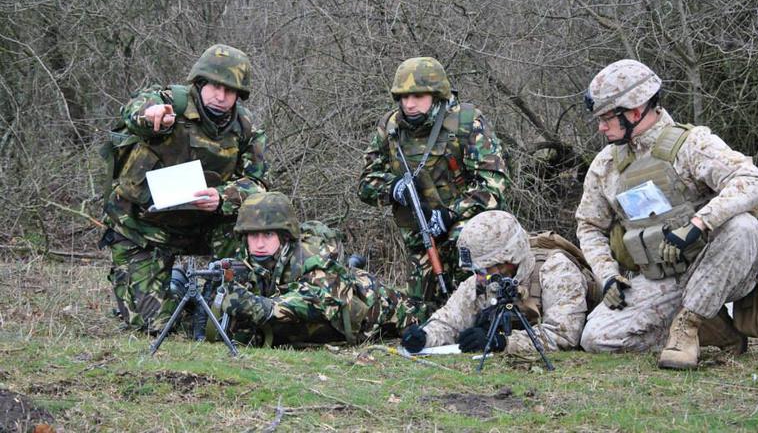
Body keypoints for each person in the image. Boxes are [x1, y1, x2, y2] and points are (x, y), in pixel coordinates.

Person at [576, 59, 758, 370]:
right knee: (596, 338)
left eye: (606, 118)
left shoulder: (692, 144)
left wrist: (700, 222)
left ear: (636, 110)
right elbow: (589, 225)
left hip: (723, 265)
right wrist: (607, 275)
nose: (601, 127)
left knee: (744, 227)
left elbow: (753, 181)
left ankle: (690, 324)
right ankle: (721, 329)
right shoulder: (606, 166)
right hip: (666, 276)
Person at [101, 44, 269, 332]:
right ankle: (176, 287)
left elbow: (259, 185)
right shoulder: (171, 103)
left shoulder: (245, 129)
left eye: (229, 90)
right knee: (154, 325)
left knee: (249, 223)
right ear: (200, 83)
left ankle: (219, 297)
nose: (220, 96)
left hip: (203, 225)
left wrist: (222, 197)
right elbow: (134, 111)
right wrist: (151, 116)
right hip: (142, 228)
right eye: (214, 86)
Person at [358, 57, 510, 304]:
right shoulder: (390, 127)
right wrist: (395, 188)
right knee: (421, 310)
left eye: (418, 96)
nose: (409, 104)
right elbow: (366, 182)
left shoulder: (466, 122)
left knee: (472, 299)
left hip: (467, 230)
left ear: (437, 94)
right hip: (421, 235)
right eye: (403, 97)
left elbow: (493, 185)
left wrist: (450, 214)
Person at [220, 192, 428, 347]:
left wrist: (258, 306)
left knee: (428, 319)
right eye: (253, 236)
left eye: (267, 236)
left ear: (284, 236)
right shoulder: (246, 260)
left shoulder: (311, 256)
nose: (259, 244)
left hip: (388, 313)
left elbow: (314, 301)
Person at [401, 211, 599, 356]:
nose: (478, 278)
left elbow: (564, 336)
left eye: (483, 269)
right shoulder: (485, 279)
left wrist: (501, 342)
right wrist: (424, 336)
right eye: (475, 271)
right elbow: (450, 321)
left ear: (508, 260)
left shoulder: (556, 270)